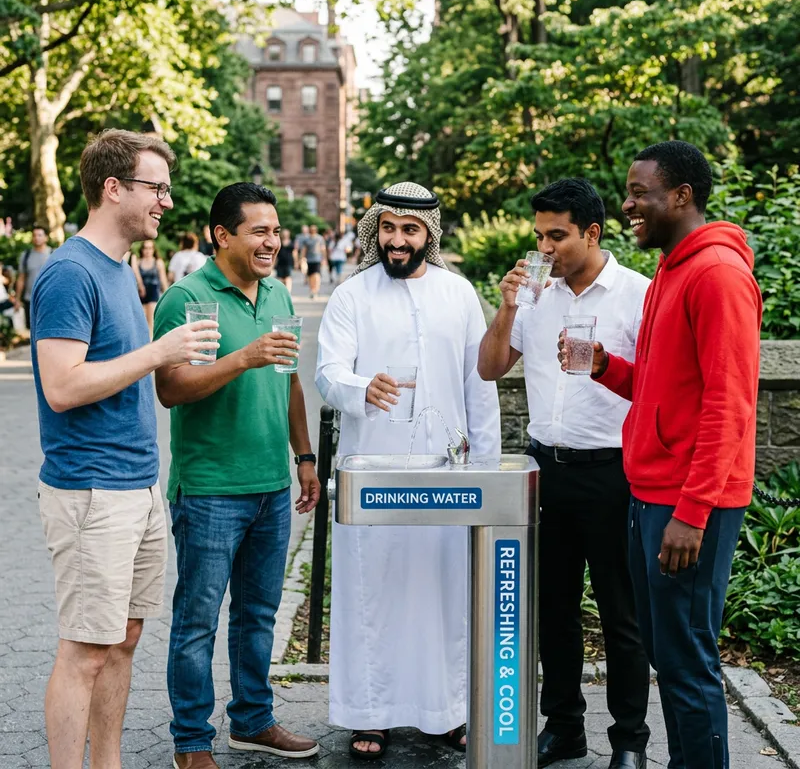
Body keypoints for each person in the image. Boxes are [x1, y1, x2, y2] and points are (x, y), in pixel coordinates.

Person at [558, 142, 762, 769]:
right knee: (666, 654)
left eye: (640, 192)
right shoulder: (673, 270)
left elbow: (729, 406)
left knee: (686, 660)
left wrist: (693, 512)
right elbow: (660, 383)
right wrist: (606, 368)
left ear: (681, 196)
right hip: (652, 494)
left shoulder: (718, 275)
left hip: (687, 504)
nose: (627, 204)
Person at [30, 128, 220, 769]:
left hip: (136, 485)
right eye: (155, 188)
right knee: (85, 648)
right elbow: (61, 387)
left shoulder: (120, 270)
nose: (166, 201)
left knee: (125, 638)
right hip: (90, 489)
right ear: (114, 189)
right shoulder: (68, 272)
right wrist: (158, 353)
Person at [316, 182, 501, 760]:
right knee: (372, 591)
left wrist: (488, 474)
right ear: (377, 231)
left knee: (444, 592)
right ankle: (369, 716)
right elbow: (326, 372)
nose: (398, 241)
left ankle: (444, 715)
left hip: (447, 476)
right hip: (372, 475)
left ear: (429, 234)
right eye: (389, 229)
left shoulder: (460, 294)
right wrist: (359, 386)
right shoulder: (352, 295)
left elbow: (481, 388)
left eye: (410, 230)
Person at [478, 178, 652, 769]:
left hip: (613, 473)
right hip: (545, 469)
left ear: (592, 233)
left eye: (558, 235)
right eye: (538, 236)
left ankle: (629, 741)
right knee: (553, 609)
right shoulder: (534, 295)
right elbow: (490, 367)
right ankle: (565, 728)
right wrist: (506, 306)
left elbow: (656, 386)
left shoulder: (637, 294)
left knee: (621, 614)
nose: (544, 248)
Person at [154, 182, 322, 769]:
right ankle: (192, 742)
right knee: (197, 619)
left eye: (275, 230)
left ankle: (252, 719)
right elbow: (171, 389)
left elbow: (292, 381)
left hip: (272, 487)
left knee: (258, 614)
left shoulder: (278, 293)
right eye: (259, 230)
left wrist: (304, 458)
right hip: (209, 490)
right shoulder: (186, 297)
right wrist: (242, 358)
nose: (272, 241)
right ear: (222, 235)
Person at [15, 224, 52, 330]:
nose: (36, 238)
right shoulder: (26, 255)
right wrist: (17, 299)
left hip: (48, 299)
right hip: (30, 299)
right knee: (32, 330)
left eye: (40, 235)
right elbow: (21, 278)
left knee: (47, 329)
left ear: (46, 238)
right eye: (34, 235)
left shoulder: (53, 254)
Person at [131, 238, 168, 337]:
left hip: (153, 293)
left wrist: (167, 295)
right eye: (146, 248)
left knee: (151, 321)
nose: (148, 251)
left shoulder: (158, 262)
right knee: (142, 322)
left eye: (150, 248)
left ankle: (151, 342)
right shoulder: (138, 262)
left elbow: (163, 280)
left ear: (153, 250)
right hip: (141, 294)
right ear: (142, 250)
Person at [302, 224, 326, 298]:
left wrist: (324, 259)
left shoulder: (320, 238)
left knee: (316, 275)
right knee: (310, 276)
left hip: (317, 259)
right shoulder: (307, 239)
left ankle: (316, 290)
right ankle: (312, 289)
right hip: (309, 260)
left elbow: (323, 249)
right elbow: (304, 250)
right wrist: (302, 258)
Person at [276, 228, 295, 292]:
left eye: (286, 234)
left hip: (289, 262)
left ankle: (287, 292)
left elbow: (294, 253)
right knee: (280, 279)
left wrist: (296, 262)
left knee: (288, 278)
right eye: (284, 234)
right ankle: (282, 292)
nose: (285, 235)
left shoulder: (291, 242)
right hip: (280, 262)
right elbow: (275, 253)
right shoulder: (278, 242)